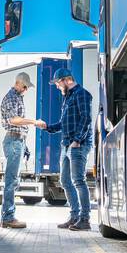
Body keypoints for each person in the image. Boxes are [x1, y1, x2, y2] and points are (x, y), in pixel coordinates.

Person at [34, 68, 93, 230]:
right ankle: (74, 216)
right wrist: (46, 127)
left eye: (58, 83)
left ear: (67, 80)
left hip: (77, 145)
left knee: (78, 181)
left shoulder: (82, 94)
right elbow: (62, 123)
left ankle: (85, 219)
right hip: (66, 144)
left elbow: (86, 118)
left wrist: (77, 140)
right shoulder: (68, 98)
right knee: (65, 181)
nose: (57, 86)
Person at [0, 72, 36, 229]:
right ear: (18, 83)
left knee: (13, 180)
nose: (26, 89)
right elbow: (14, 120)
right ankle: (8, 217)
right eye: (25, 86)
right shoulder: (12, 97)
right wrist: (34, 122)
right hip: (13, 141)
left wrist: (24, 143)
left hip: (17, 140)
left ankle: (8, 216)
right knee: (11, 180)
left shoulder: (18, 97)